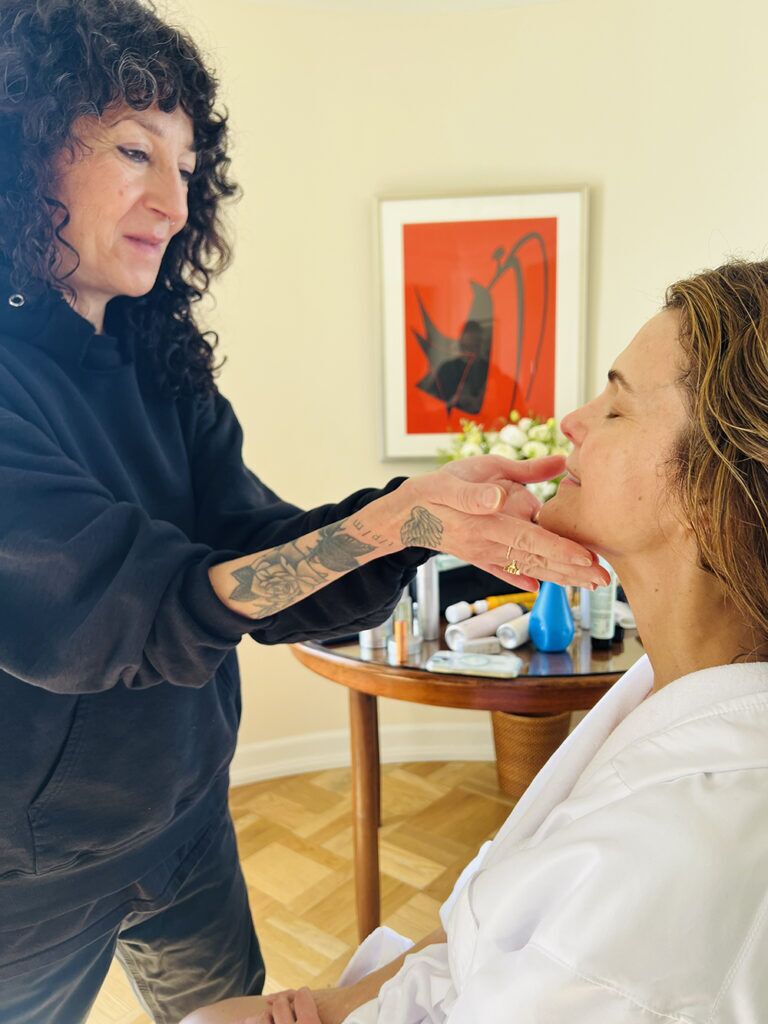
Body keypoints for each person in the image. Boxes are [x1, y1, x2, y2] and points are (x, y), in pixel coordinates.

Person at [0, 3, 606, 1022]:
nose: (173, 201)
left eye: (188, 168)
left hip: (190, 826)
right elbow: (126, 608)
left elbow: (255, 561)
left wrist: (417, 521)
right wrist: (393, 522)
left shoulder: (162, 372)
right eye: (135, 149)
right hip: (35, 876)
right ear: (26, 147)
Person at [185, 260, 768, 1024]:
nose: (574, 422)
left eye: (618, 409)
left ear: (716, 485)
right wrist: (331, 1005)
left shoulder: (665, 866)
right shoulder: (674, 692)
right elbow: (484, 924)